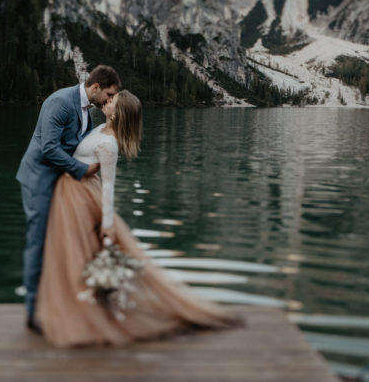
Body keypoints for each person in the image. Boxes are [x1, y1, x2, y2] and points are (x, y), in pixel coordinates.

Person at [35, 89, 242, 346]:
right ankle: (81, 309)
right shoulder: (99, 127)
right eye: (110, 98)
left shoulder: (109, 144)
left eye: (113, 101)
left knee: (83, 254)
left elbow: (109, 186)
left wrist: (108, 225)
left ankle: (93, 316)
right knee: (74, 254)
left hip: (81, 197)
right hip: (72, 191)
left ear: (119, 113)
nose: (108, 100)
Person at [17, 65, 121, 334]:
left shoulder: (86, 109)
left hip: (62, 184)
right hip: (39, 180)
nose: (109, 100)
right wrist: (82, 170)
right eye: (108, 94)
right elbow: (48, 148)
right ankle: (32, 313)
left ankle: (62, 302)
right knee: (37, 244)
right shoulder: (60, 102)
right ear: (95, 87)